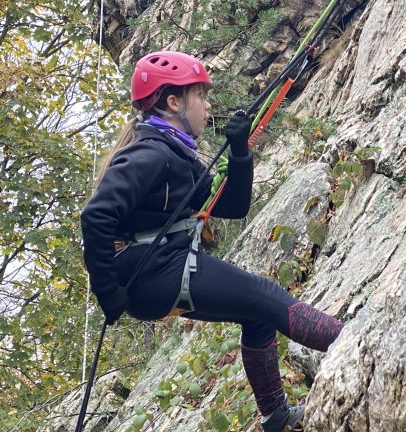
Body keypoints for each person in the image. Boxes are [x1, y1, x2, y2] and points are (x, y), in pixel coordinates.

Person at [80, 50, 343, 432]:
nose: (207, 105)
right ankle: (359, 345)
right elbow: (96, 215)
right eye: (200, 96)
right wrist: (108, 293)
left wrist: (239, 151)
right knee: (266, 297)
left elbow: (232, 207)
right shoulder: (151, 153)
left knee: (256, 316)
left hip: (158, 274)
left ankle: (276, 418)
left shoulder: (176, 154)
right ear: (174, 102)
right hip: (154, 272)